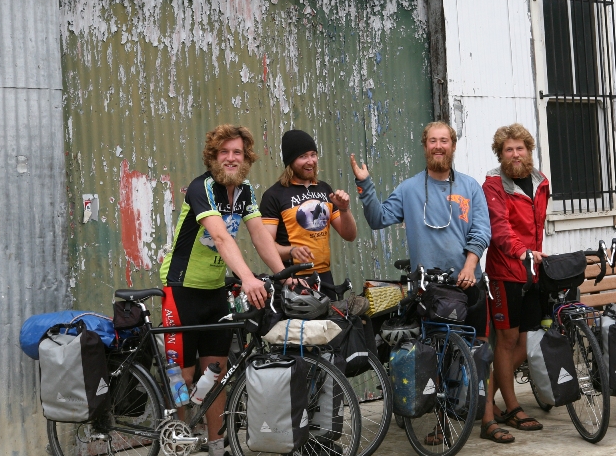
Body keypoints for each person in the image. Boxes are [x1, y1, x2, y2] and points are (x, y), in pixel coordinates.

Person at [350, 121, 513, 444]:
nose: (439, 146)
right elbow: (379, 218)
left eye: (444, 141)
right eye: (433, 141)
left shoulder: (470, 187)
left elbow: (482, 230)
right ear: (425, 146)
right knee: (437, 356)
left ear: (453, 145)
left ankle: (488, 420)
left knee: (480, 354)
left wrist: (470, 266)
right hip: (430, 289)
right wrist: (365, 185)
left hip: (468, 285)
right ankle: (442, 423)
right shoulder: (409, 189)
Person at [160, 124, 287, 456]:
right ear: (213, 157)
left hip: (215, 291)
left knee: (214, 376)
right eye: (224, 152)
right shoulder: (201, 188)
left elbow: (259, 235)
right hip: (182, 289)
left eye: (238, 152)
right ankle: (178, 441)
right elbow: (219, 236)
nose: (231, 158)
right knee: (183, 376)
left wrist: (284, 276)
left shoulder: (244, 191)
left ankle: (217, 446)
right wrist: (247, 277)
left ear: (246, 158)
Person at [482, 123, 550, 433]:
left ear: (529, 150)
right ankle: (512, 407)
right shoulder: (494, 185)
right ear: (500, 155)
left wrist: (533, 256)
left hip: (532, 270)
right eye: (508, 150)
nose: (515, 154)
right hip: (505, 272)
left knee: (525, 340)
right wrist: (522, 251)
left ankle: (486, 399)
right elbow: (499, 228)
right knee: (507, 341)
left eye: (520, 148)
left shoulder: (540, 182)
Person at [260, 129, 357, 297]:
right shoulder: (274, 195)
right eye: (303, 156)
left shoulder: (324, 189)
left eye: (313, 154)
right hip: (293, 279)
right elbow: (265, 245)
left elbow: (349, 235)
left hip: (325, 278)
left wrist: (344, 209)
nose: (310, 161)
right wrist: (291, 250)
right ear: (290, 161)